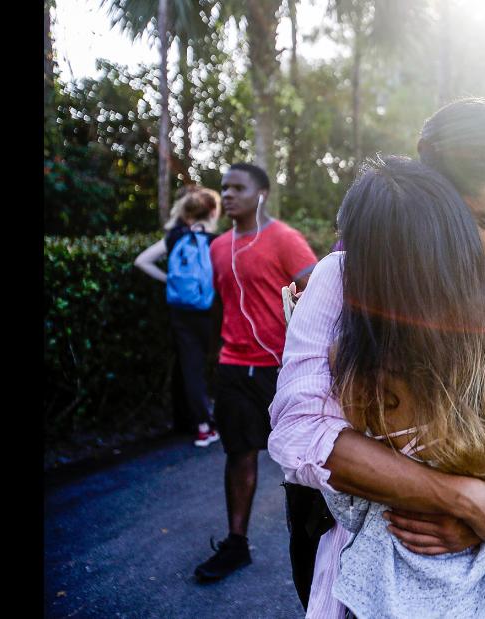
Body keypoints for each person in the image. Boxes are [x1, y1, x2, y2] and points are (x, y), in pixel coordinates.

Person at [269, 97, 485, 619]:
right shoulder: (344, 280)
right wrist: (463, 499)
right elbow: (299, 433)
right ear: (433, 194)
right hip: (382, 600)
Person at [193, 163, 319, 582]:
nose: (227, 194)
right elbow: (220, 307)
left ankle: (318, 542)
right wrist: (212, 358)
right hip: (233, 366)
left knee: (301, 460)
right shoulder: (217, 248)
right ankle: (236, 544)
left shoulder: (284, 240)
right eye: (224, 188)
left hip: (282, 368)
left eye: (238, 188)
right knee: (238, 454)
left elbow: (319, 293)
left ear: (260, 194)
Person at [134, 186, 222, 447]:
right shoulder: (217, 241)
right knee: (222, 364)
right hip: (211, 312)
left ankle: (203, 427)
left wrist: (169, 281)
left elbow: (142, 261)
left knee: (191, 369)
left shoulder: (174, 238)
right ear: (212, 212)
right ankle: (225, 418)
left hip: (181, 312)